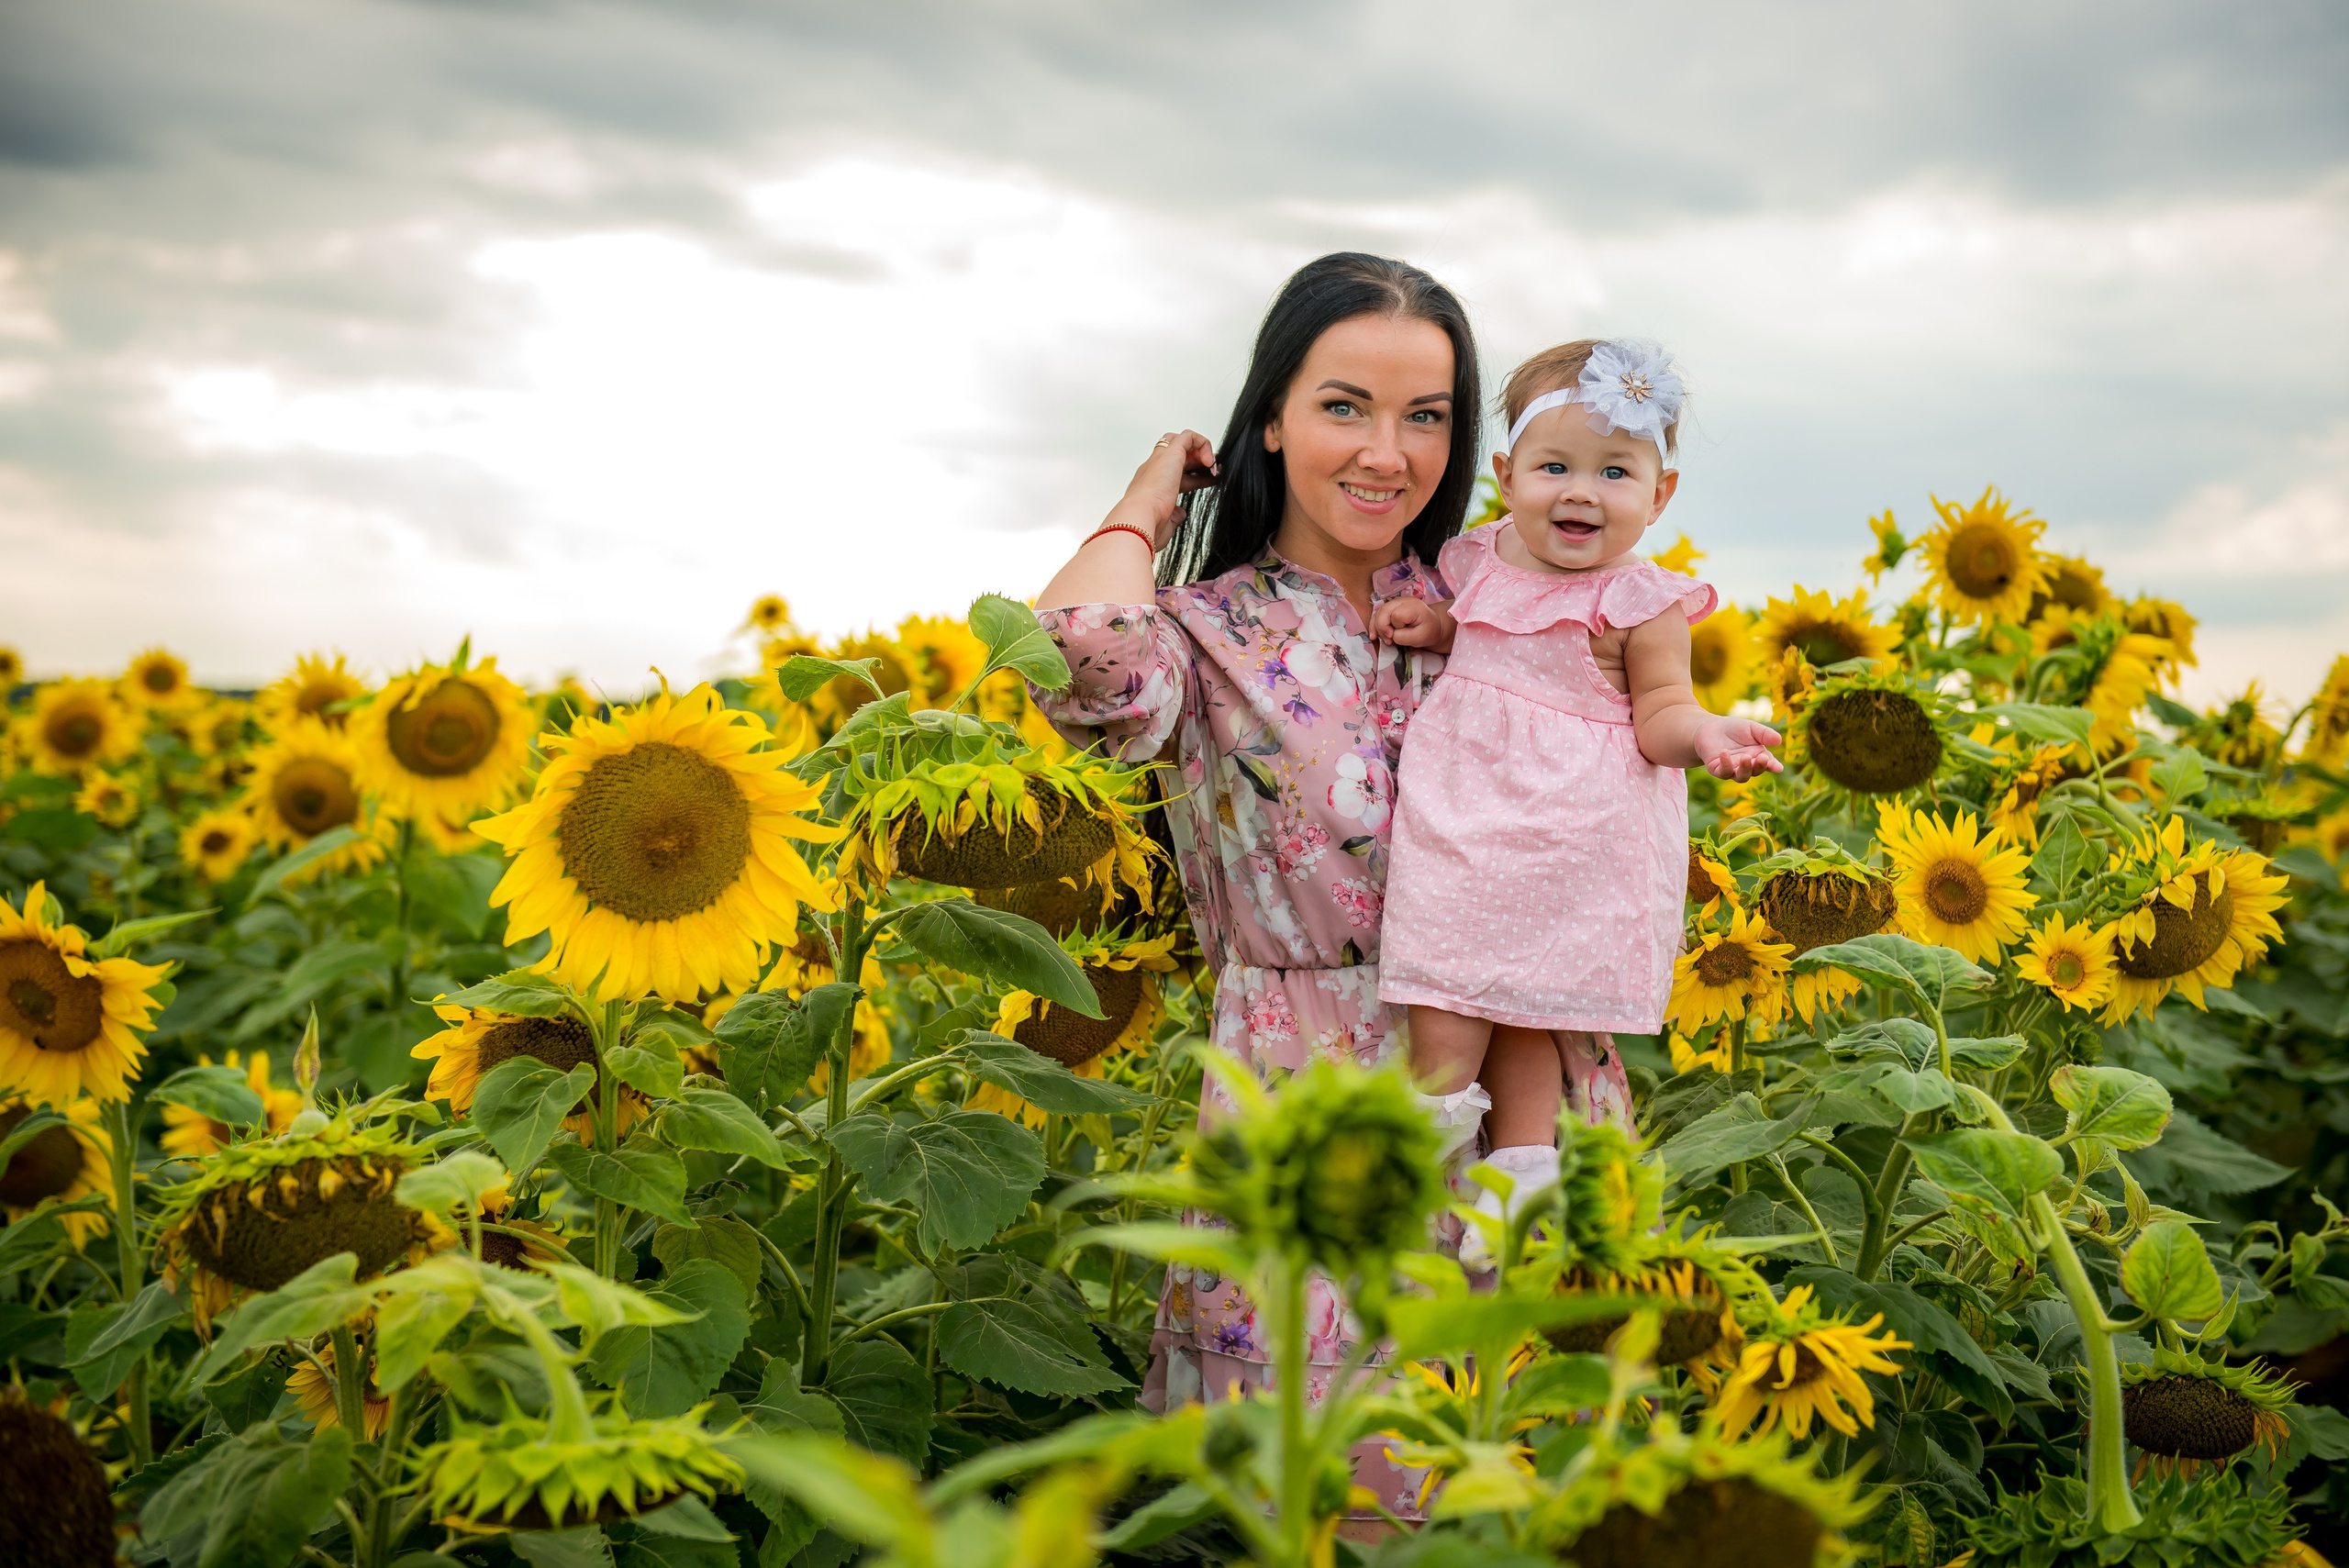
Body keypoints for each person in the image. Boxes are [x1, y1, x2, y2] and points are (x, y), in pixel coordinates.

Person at [1030, 251, 1487, 1527]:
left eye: (1427, 415)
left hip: (1515, 1095)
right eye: (1344, 406)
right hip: (1305, 1102)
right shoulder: (1206, 631)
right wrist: (1147, 498)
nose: (1388, 453)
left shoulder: (1497, 612)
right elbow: (1079, 659)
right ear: (1269, 420)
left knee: (1523, 1490)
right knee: (1324, 1504)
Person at [1375, 338, 1784, 1262]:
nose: (1581, 493)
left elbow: (1660, 713)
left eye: (1614, 472)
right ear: (1506, 475)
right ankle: (1440, 1156)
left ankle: (1500, 1171)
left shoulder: (1643, 602)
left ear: (1659, 494)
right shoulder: (1480, 560)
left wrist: (1706, 734)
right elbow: (1487, 637)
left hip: (1569, 836)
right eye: (1555, 467)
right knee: (1451, 987)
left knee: (1524, 1004)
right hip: (1467, 820)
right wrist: (1436, 625)